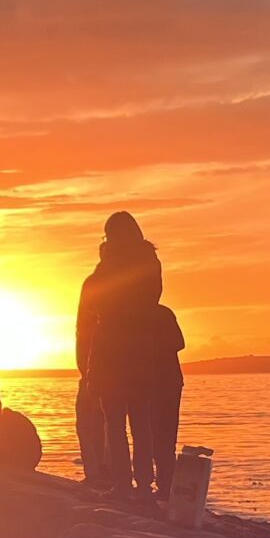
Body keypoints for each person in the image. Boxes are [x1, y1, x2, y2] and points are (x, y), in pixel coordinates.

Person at [81, 211, 163, 498]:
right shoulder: (150, 260)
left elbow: (94, 302)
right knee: (141, 421)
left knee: (115, 423)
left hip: (113, 350)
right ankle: (143, 483)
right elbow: (154, 298)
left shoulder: (110, 263)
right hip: (142, 350)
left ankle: (122, 484)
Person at [130, 303, 187, 500]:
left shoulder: (158, 313)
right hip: (156, 382)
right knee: (157, 435)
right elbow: (179, 343)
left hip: (162, 382)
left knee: (159, 434)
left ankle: (164, 484)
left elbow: (179, 343)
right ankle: (161, 483)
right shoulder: (160, 312)